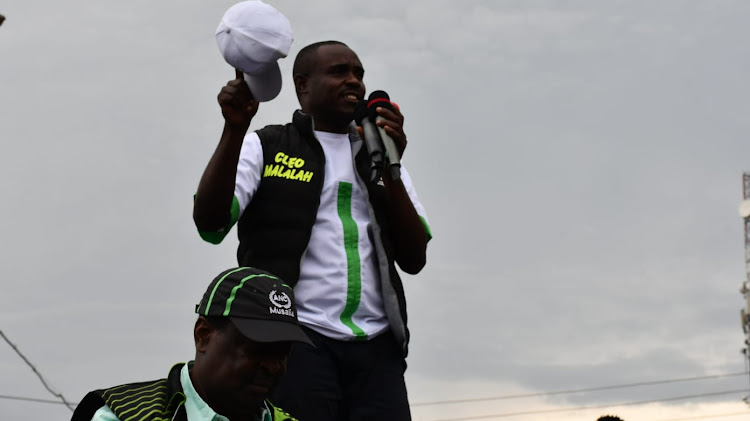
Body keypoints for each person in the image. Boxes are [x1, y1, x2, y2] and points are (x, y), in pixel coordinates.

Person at [193, 40, 432, 420]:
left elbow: (415, 258)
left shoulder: (376, 153)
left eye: (359, 74)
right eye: (339, 72)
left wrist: (391, 168)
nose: (354, 81)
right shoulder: (269, 145)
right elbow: (210, 224)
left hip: (377, 350)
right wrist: (234, 131)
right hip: (296, 341)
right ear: (303, 85)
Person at [71, 267, 311, 421]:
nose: (271, 367)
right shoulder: (125, 415)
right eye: (257, 349)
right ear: (203, 334)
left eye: (282, 354)